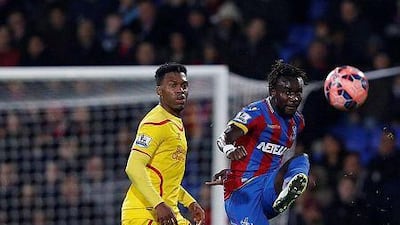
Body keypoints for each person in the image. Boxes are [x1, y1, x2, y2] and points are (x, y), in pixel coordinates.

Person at [207, 60, 310, 225]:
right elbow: (225, 136)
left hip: (269, 189)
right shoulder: (256, 113)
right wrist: (229, 149)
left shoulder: (297, 121)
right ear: (273, 91)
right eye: (288, 92)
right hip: (243, 192)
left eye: (298, 93)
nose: (294, 98)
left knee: (302, 160)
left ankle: (286, 191)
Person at [121, 63, 205, 225]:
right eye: (173, 85)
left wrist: (189, 202)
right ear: (159, 91)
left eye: (184, 85)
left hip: (168, 212)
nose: (180, 90)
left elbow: (164, 178)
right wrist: (159, 204)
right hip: (144, 213)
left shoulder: (175, 122)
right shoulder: (155, 122)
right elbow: (133, 166)